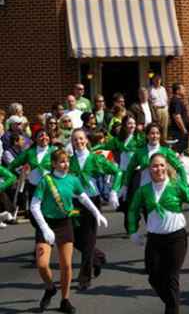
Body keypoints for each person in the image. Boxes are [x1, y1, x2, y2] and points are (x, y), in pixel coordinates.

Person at [30, 149, 108, 313]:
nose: (65, 165)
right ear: (53, 164)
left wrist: (97, 213)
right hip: (47, 224)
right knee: (42, 264)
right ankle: (50, 288)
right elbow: (34, 206)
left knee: (66, 265)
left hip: (64, 224)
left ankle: (65, 300)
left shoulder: (73, 180)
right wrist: (44, 228)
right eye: (61, 162)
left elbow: (83, 197)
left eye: (67, 161)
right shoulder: (46, 180)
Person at [128, 153, 189, 314]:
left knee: (171, 277)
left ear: (166, 167)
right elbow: (132, 210)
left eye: (161, 165)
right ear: (149, 170)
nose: (158, 169)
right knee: (154, 277)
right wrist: (133, 231)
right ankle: (173, 302)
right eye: (154, 166)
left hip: (175, 238)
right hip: (155, 240)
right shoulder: (143, 190)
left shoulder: (176, 186)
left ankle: (172, 308)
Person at [69, 129, 122, 290]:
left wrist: (114, 191)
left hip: (92, 201)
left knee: (89, 237)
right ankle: (97, 257)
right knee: (74, 237)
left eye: (81, 139)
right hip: (74, 203)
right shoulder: (69, 160)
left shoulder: (96, 158)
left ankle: (85, 277)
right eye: (75, 140)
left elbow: (117, 171)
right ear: (72, 142)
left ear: (86, 140)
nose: (78, 142)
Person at [8, 130, 56, 218]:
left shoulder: (54, 151)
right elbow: (13, 165)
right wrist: (16, 176)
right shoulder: (29, 152)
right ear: (36, 139)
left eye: (46, 135)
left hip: (50, 187)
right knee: (35, 215)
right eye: (41, 136)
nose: (44, 138)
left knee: (49, 214)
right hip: (33, 188)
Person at [169, 83, 189, 154]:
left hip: (180, 130)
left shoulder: (177, 100)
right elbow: (177, 116)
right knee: (179, 150)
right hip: (179, 131)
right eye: (183, 89)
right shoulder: (176, 101)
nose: (185, 91)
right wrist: (183, 129)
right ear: (177, 91)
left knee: (182, 149)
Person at [149, 75, 169, 140]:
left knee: (165, 128)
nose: (158, 81)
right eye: (156, 80)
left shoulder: (163, 89)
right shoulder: (150, 89)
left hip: (164, 109)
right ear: (153, 81)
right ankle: (158, 141)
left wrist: (167, 109)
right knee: (158, 127)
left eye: (159, 80)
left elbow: (166, 99)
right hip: (156, 110)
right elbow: (149, 101)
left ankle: (164, 141)